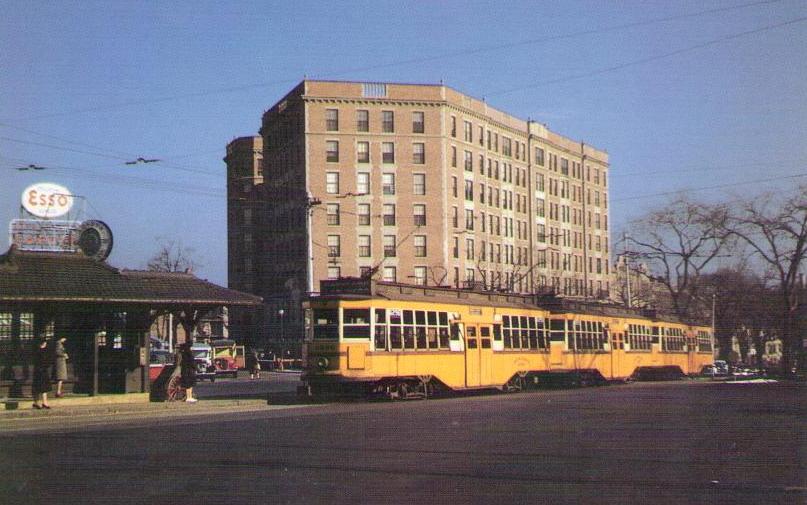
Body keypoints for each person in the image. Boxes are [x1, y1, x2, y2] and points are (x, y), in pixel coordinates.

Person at [32, 337, 52, 409]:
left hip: (38, 371)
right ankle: (44, 402)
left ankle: (36, 402)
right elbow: (46, 361)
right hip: (42, 371)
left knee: (37, 387)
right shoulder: (44, 351)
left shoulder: (36, 350)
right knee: (44, 387)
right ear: (44, 343)